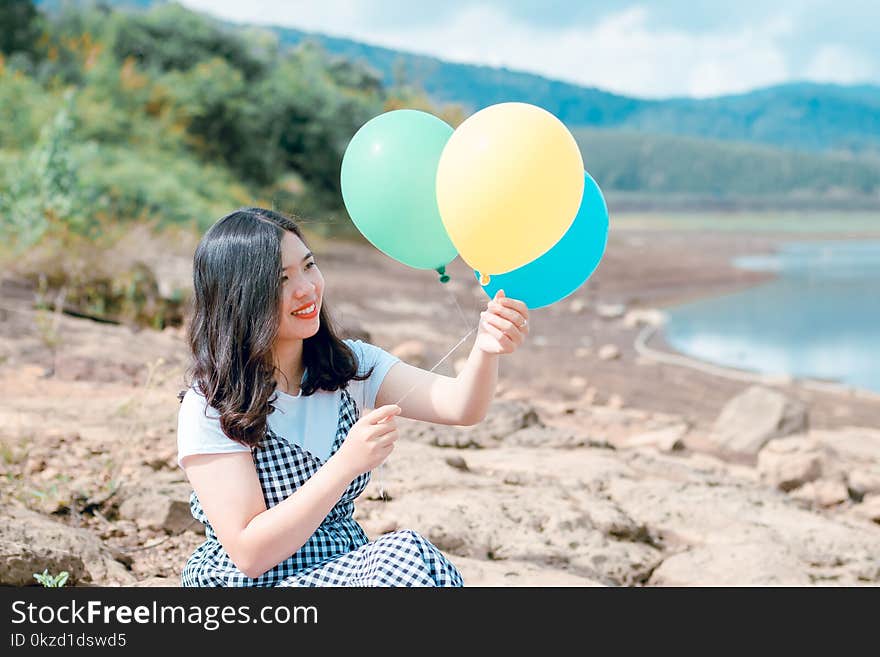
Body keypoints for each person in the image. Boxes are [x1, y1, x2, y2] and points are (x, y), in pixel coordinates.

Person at [176, 207, 530, 586]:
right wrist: (346, 463)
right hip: (254, 584)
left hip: (341, 567)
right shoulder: (211, 404)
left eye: (309, 266)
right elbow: (249, 553)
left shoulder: (349, 365)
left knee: (411, 558)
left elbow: (461, 406)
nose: (306, 289)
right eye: (281, 279)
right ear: (240, 297)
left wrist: (487, 348)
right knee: (402, 557)